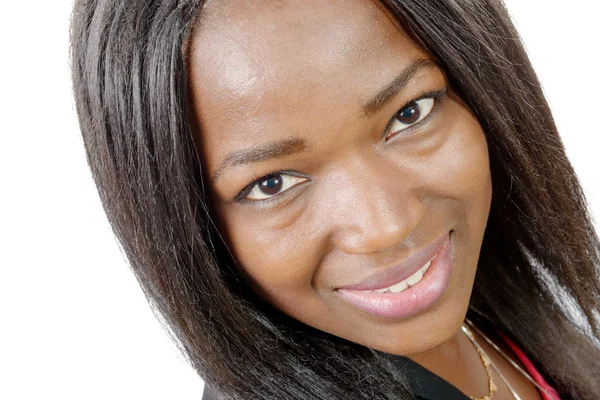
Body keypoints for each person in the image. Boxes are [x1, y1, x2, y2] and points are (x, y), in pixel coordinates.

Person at [69, 0, 600, 399]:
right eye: (271, 183)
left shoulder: (493, 304)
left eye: (409, 114)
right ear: (185, 224)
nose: (385, 225)